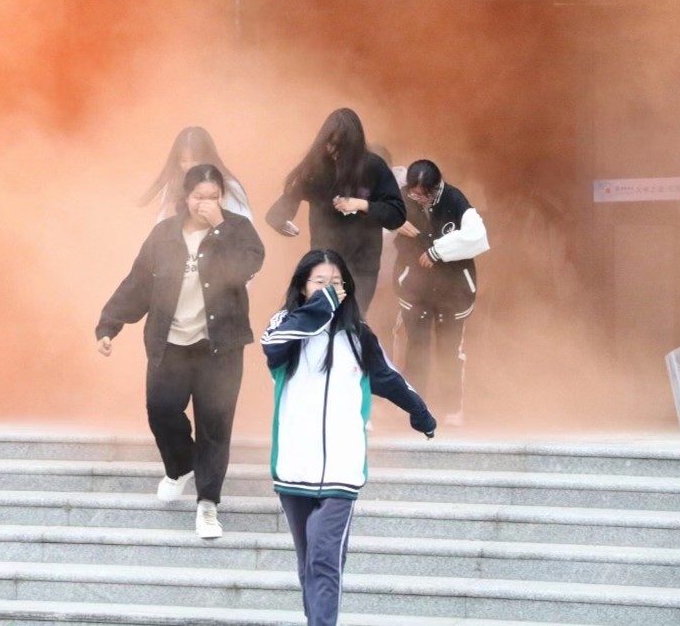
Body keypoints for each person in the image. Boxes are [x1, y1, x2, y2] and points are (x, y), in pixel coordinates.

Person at [261, 248, 436, 626]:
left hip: (342, 469)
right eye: (320, 282)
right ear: (302, 287)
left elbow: (390, 379)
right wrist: (320, 307)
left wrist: (419, 412)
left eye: (336, 283)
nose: (329, 289)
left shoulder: (359, 336)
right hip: (294, 467)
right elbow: (272, 348)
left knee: (324, 559)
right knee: (308, 563)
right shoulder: (285, 327)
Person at [97, 163, 265, 539]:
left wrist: (219, 227)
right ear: (185, 197)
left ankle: (208, 504)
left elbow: (245, 267)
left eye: (213, 197)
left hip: (219, 347)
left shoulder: (237, 229)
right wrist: (110, 324)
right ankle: (181, 466)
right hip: (170, 342)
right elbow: (138, 282)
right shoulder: (164, 235)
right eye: (199, 197)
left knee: (215, 425)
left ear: (222, 197)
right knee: (160, 410)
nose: (206, 203)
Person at [264, 109, 406, 313]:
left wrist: (362, 205)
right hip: (324, 262)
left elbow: (397, 214)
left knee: (352, 319)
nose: (333, 151)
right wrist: (280, 220)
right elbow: (288, 201)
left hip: (362, 265)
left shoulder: (373, 167)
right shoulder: (317, 167)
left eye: (341, 146)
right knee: (318, 317)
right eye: (330, 144)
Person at [393, 159, 489, 427]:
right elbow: (377, 218)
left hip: (453, 289)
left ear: (437, 187)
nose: (420, 200)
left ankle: (452, 407)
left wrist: (439, 251)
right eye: (415, 194)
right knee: (416, 347)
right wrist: (393, 222)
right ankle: (414, 407)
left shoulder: (454, 199)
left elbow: (478, 236)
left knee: (450, 349)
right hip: (414, 287)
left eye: (426, 194)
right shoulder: (401, 198)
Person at [140, 126, 252, 222]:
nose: (189, 166)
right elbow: (160, 228)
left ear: (207, 157)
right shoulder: (172, 186)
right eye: (183, 160)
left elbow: (245, 229)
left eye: (195, 160)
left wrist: (218, 222)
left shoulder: (227, 186)